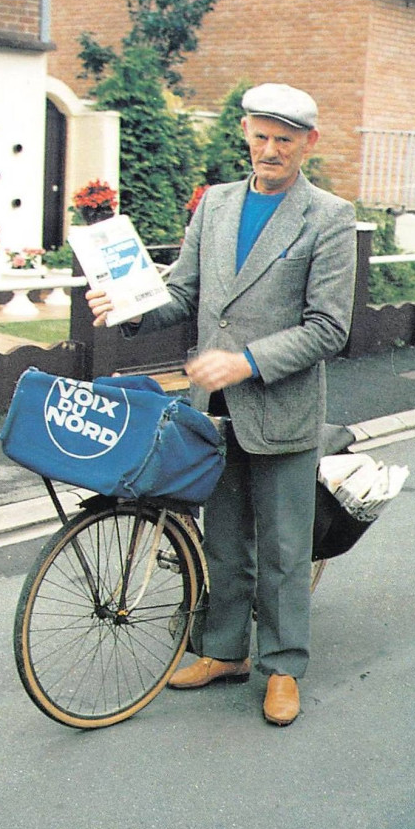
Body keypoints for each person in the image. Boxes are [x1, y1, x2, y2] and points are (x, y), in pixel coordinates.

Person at [86, 82, 356, 726]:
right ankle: (225, 650)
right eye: (261, 136)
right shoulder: (216, 205)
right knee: (225, 541)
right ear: (245, 133)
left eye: (284, 139)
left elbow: (329, 328)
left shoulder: (329, 216)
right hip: (213, 406)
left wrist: (248, 361)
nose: (270, 149)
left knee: (285, 550)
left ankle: (284, 667)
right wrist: (127, 310)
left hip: (281, 408)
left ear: (308, 144)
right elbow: (184, 293)